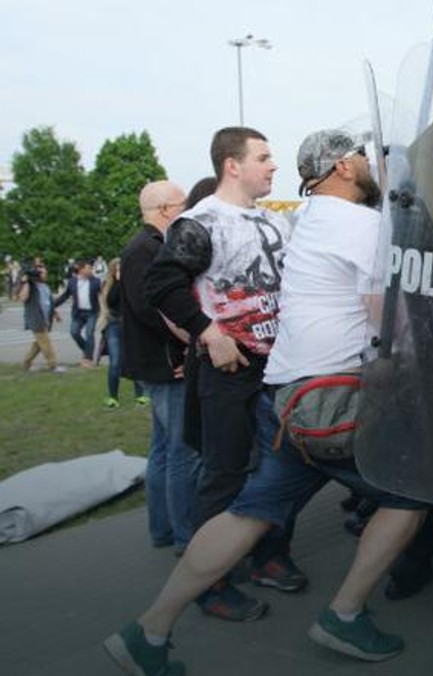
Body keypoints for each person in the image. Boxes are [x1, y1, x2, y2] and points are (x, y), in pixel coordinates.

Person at [104, 128, 427, 675]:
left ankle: (149, 630)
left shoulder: (300, 221)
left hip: (284, 393)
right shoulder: (360, 223)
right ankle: (344, 615)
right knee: (412, 492)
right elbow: (385, 318)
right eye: (363, 156)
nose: (373, 164)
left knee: (248, 511)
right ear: (343, 167)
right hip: (330, 397)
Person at [142, 128, 304, 621]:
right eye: (264, 157)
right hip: (229, 370)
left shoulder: (274, 223)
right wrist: (208, 333)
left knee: (283, 467)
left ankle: (269, 555)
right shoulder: (200, 222)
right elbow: (160, 283)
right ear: (232, 165)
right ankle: (211, 585)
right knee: (225, 473)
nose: (274, 166)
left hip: (279, 366)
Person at [121, 180, 199, 554]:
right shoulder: (147, 249)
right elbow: (151, 307)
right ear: (167, 209)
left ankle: (164, 529)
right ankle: (185, 534)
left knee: (165, 449)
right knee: (182, 450)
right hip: (165, 364)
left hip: (157, 363)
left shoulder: (144, 247)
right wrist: (187, 343)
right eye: (184, 204)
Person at [96, 258, 148, 408]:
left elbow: (132, 301)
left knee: (134, 359)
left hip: (130, 325)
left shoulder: (131, 285)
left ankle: (140, 394)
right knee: (115, 362)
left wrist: (124, 283)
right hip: (113, 325)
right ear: (112, 271)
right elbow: (112, 301)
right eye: (117, 269)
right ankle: (113, 396)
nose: (120, 272)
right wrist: (118, 283)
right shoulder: (108, 286)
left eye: (122, 269)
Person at [17, 259, 66, 373]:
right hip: (36, 319)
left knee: (39, 344)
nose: (44, 274)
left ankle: (26, 363)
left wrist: (55, 313)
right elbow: (22, 298)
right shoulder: (30, 285)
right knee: (45, 342)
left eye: (45, 272)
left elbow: (49, 302)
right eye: (42, 273)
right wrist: (26, 281)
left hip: (45, 319)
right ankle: (53, 365)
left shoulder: (45, 286)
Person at [54, 259, 102, 367]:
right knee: (74, 332)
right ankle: (87, 349)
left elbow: (105, 295)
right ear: (81, 269)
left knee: (89, 333)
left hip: (92, 312)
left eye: (91, 268)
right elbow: (65, 296)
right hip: (78, 313)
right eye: (88, 268)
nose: (91, 270)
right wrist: (53, 305)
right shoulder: (72, 281)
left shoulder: (96, 282)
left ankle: (88, 359)